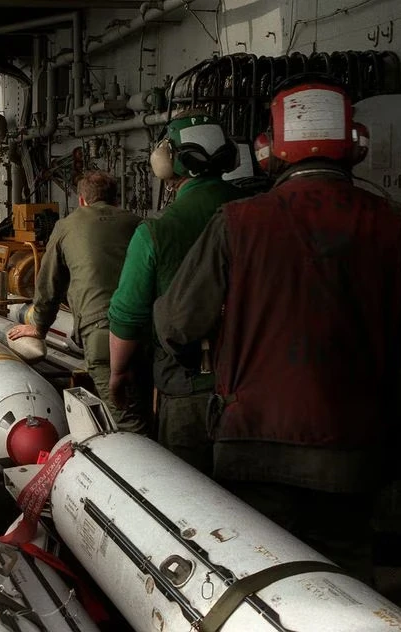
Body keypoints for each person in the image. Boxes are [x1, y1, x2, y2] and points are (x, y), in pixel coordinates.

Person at [153, 74, 401, 582]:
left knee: (253, 586)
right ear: (357, 145)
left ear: (266, 151)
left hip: (252, 446)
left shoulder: (238, 221)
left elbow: (175, 323)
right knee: (343, 591)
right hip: (353, 453)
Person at [107, 110, 244, 469]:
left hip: (189, 388)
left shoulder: (156, 232)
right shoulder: (260, 215)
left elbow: (128, 316)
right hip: (256, 388)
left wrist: (118, 374)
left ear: (168, 163)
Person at [8, 170, 151, 431]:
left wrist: (39, 326)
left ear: (82, 200)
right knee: (144, 407)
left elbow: (49, 282)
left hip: (102, 332)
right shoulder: (138, 223)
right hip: (147, 331)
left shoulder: (67, 226)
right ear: (115, 198)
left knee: (128, 424)